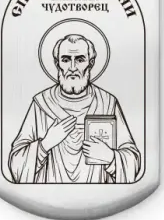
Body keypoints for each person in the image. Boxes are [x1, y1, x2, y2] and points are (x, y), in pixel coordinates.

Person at [9, 34, 140, 183]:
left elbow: (133, 160)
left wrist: (109, 157)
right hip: (50, 192)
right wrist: (46, 144)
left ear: (90, 63)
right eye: (65, 60)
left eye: (79, 60)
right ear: (57, 63)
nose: (72, 67)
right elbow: (15, 164)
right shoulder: (41, 104)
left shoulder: (106, 103)